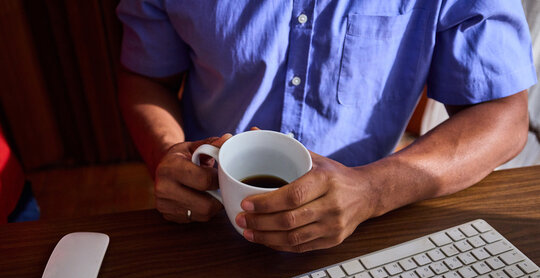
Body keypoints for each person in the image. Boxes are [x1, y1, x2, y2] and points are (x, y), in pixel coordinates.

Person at [116, 0, 536, 252]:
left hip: (364, 225)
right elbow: (146, 77)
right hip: (207, 224)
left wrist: (373, 190)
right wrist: (165, 154)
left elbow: (504, 115)